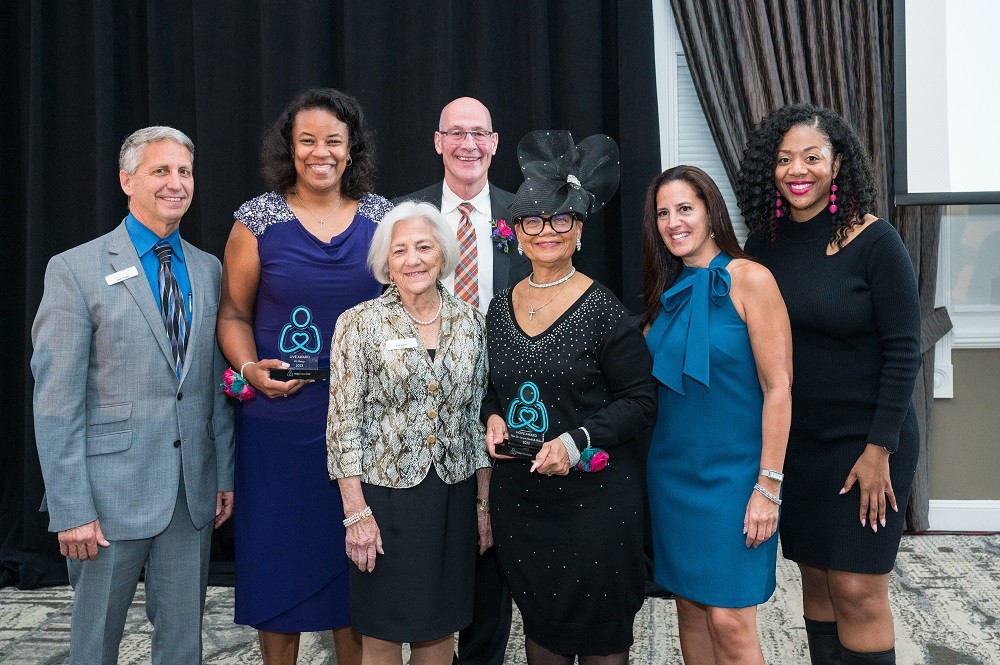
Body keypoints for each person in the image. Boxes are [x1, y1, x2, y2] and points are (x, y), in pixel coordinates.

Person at [31, 126, 235, 665]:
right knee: (94, 643)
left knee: (181, 645)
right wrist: (71, 507)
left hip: (190, 494)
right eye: (160, 171)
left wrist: (223, 476)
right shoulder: (75, 270)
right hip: (105, 499)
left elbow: (211, 384)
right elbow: (56, 400)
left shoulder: (208, 269)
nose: (176, 183)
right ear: (127, 180)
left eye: (185, 172)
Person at [737, 103, 921, 665]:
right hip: (801, 444)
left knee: (858, 589)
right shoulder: (762, 246)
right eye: (786, 158)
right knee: (816, 581)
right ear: (771, 169)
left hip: (868, 442)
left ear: (837, 164)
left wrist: (878, 447)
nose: (799, 170)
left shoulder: (875, 241)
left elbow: (904, 348)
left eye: (813, 157)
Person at [216, 88, 392, 665]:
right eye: (307, 141)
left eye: (333, 141)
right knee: (278, 569)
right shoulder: (256, 220)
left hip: (363, 426)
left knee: (354, 573)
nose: (321, 152)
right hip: (277, 424)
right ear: (289, 149)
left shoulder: (382, 219)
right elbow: (234, 314)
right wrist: (248, 368)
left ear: (351, 149)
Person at [482, 130, 658, 665]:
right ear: (517, 232)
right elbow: (495, 386)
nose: (547, 231)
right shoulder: (498, 308)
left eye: (562, 220)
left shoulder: (603, 309)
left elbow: (641, 399)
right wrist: (491, 415)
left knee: (602, 643)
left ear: (579, 230)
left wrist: (577, 441)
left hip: (596, 504)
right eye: (533, 221)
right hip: (525, 504)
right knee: (542, 636)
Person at [326, 201, 491, 665]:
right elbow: (343, 424)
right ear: (385, 262)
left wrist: (483, 506)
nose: (413, 259)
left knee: (440, 631)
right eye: (400, 251)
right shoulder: (358, 324)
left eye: (423, 246)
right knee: (383, 630)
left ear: (442, 253)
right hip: (384, 500)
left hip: (453, 496)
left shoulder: (472, 324)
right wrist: (355, 513)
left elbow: (477, 420)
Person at [640, 165, 792, 664]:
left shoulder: (752, 280)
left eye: (685, 208)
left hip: (737, 478)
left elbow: (778, 388)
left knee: (730, 621)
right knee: (689, 608)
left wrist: (768, 485)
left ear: (711, 212)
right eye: (663, 212)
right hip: (672, 477)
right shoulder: (665, 294)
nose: (673, 221)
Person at [399, 95, 528, 665]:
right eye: (456, 133)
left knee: (489, 548)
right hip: (424, 408)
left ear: (495, 142)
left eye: (479, 133)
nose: (468, 144)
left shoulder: (527, 214)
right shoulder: (405, 213)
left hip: (504, 401)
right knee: (431, 544)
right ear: (437, 141)